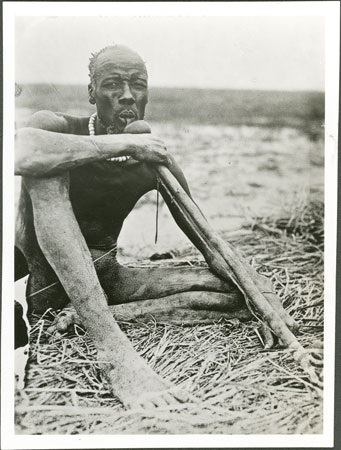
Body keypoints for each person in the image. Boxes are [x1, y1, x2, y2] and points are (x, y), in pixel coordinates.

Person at [15, 45, 286, 409]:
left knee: (238, 291)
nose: (127, 96)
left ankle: (110, 317)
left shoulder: (152, 161)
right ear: (92, 91)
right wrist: (130, 142)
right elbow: (23, 152)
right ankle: (114, 351)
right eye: (113, 84)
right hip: (43, 284)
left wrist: (267, 303)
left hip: (108, 281)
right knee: (46, 172)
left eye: (138, 85)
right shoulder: (56, 127)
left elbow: (212, 245)